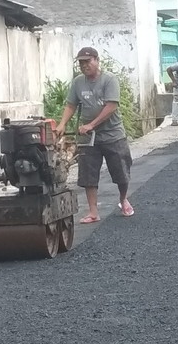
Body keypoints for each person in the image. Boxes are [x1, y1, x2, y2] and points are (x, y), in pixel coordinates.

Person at [53, 47, 134, 223]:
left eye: (87, 62)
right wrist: (62, 123)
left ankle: (123, 199)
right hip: (88, 138)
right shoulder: (78, 83)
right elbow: (71, 105)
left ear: (97, 60)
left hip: (113, 134)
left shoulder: (109, 80)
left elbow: (111, 106)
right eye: (81, 63)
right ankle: (93, 211)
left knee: (121, 171)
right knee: (88, 174)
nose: (84, 66)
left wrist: (91, 124)